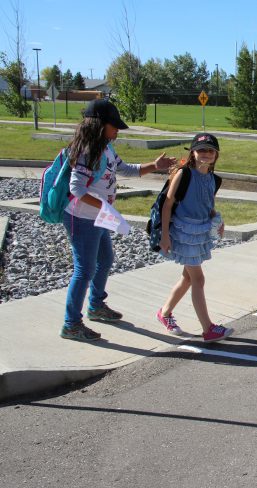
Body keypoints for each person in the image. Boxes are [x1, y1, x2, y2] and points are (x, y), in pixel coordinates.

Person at [60, 99, 176, 342]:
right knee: (84, 269)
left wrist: (154, 165)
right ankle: (71, 324)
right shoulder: (87, 151)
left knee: (105, 259)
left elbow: (125, 169)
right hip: (82, 218)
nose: (117, 131)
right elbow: (77, 189)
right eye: (114, 126)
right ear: (99, 125)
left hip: (99, 217)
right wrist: (104, 207)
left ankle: (96, 306)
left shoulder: (106, 148)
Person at [156, 133, 234, 343]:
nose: (206, 154)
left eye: (210, 150)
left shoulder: (213, 178)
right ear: (193, 152)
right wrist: (164, 235)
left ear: (216, 154)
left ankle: (164, 313)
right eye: (201, 150)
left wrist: (218, 220)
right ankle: (208, 328)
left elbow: (208, 203)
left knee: (188, 277)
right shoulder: (184, 174)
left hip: (200, 231)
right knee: (198, 278)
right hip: (183, 232)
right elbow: (167, 204)